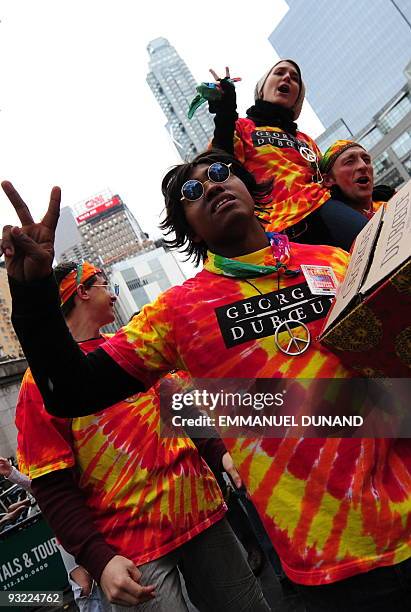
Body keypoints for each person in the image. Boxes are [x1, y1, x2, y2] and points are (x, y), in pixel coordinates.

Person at [2, 150, 411, 611]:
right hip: (331, 561)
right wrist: (32, 293)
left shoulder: (335, 263)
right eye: (191, 192)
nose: (211, 186)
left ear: (247, 188)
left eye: (219, 173)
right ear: (191, 228)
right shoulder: (178, 313)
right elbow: (71, 390)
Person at [13, 260, 267, 612]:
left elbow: (182, 411)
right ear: (81, 291)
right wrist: (99, 560)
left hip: (202, 515)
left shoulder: (127, 348)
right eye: (102, 282)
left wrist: (223, 454)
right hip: (132, 550)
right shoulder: (38, 386)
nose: (112, 292)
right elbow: (50, 483)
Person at [208, 61, 368, 250]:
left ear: (297, 98)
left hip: (325, 208)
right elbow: (218, 165)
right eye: (279, 73)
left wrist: (365, 195)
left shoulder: (305, 140)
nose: (287, 78)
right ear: (261, 89)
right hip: (279, 230)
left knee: (375, 246)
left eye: (295, 78)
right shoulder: (242, 128)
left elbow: (331, 179)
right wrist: (225, 117)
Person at [0, 457, 106, 611]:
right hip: (65, 526)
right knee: (83, 587)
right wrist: (11, 473)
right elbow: (41, 489)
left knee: (104, 576)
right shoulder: (39, 454)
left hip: (94, 515)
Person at [319, 139, 396, 219]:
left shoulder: (394, 202)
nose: (363, 165)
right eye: (349, 162)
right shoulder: (336, 228)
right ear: (329, 180)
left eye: (366, 160)